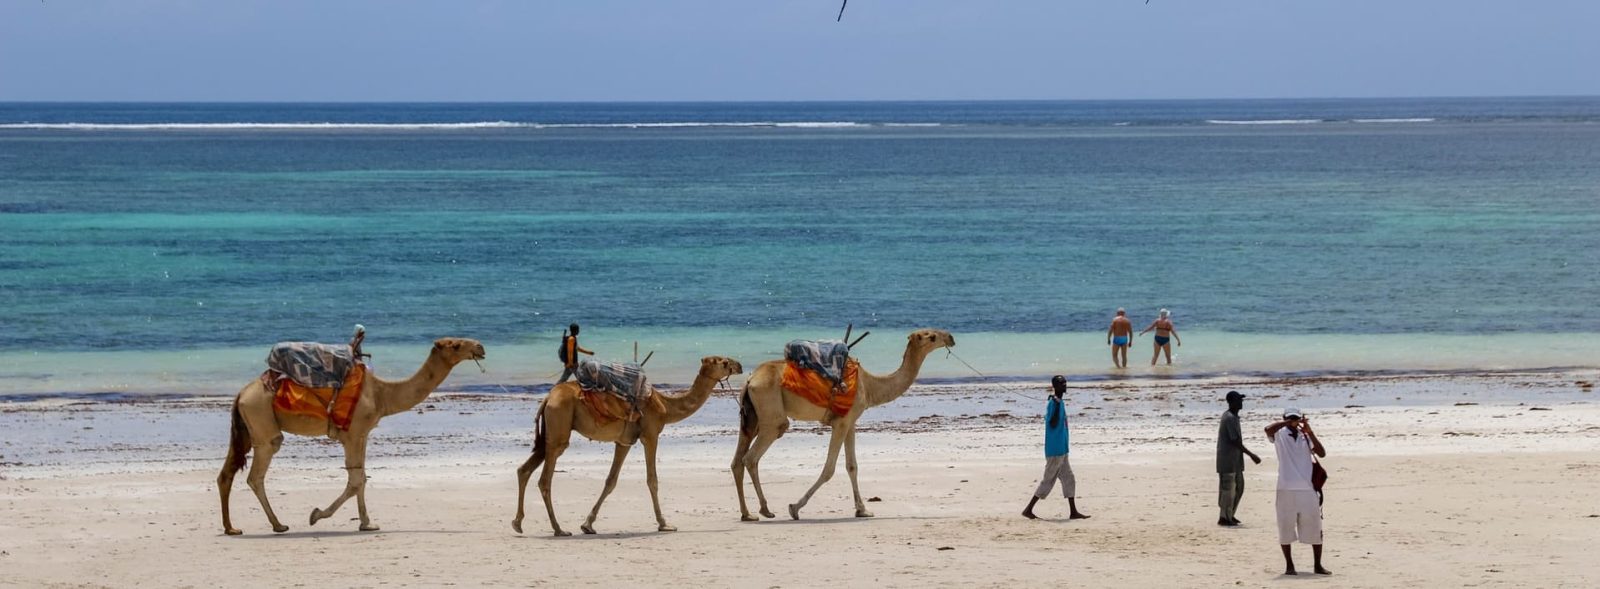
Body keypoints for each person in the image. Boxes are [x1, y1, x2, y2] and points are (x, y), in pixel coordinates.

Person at [1266, 408, 1330, 576]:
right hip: (1286, 488)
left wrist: (1310, 431)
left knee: (1315, 528)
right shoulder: (1279, 435)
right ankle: (1289, 566)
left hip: (1307, 488)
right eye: (1291, 418)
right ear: (1285, 419)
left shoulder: (1305, 435)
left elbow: (1322, 453)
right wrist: (1287, 423)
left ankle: (1318, 565)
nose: (1294, 421)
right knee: (1285, 527)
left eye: (1296, 418)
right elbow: (1268, 430)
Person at [1023, 375, 1089, 520]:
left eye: (1065, 383)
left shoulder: (1058, 401)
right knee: (1048, 480)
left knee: (1069, 478)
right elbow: (1052, 423)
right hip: (1055, 450)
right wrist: (1056, 404)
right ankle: (1028, 509)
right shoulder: (1054, 403)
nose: (1064, 385)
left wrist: (1058, 402)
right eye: (1061, 384)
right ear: (1055, 386)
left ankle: (1073, 512)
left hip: (1062, 449)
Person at [1217, 390, 1261, 527]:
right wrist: (1251, 455)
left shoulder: (1234, 417)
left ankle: (1230, 515)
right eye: (1238, 400)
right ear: (1231, 402)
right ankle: (1224, 517)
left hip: (1236, 461)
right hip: (1227, 461)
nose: (1241, 402)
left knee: (1239, 488)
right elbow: (1235, 440)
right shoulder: (1229, 417)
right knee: (1228, 490)